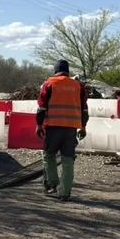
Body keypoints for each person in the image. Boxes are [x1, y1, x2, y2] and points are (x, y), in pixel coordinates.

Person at [36, 58, 89, 201]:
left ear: (55, 71)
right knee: (68, 160)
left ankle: (52, 184)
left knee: (48, 156)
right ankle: (65, 193)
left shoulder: (49, 83)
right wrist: (83, 127)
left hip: (52, 127)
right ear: (68, 71)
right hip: (71, 129)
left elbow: (41, 107)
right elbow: (84, 109)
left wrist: (39, 125)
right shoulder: (78, 86)